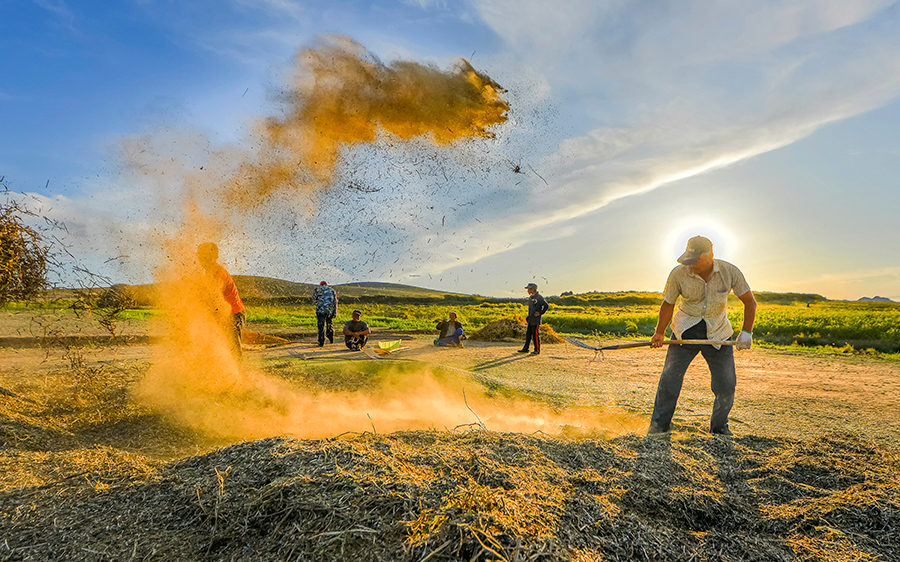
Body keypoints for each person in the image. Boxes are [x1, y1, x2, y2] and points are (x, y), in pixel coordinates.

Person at [647, 236, 756, 437]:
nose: (692, 265)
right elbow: (668, 303)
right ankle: (658, 428)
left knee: (726, 383)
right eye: (689, 260)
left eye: (696, 260)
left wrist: (746, 332)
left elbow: (750, 302)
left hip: (718, 333)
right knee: (670, 379)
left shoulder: (729, 271)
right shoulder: (678, 274)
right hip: (684, 332)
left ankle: (719, 428)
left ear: (710, 256)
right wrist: (660, 332)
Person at [197, 242, 246, 358]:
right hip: (225, 315)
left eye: (204, 255)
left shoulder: (217, 273)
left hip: (234, 314)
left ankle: (238, 374)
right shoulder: (209, 273)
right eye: (199, 255)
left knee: (233, 348)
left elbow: (214, 298)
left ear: (213, 256)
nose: (200, 259)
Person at [519, 282, 549, 355]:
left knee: (535, 335)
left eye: (529, 289)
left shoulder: (539, 297)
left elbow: (546, 306)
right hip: (530, 319)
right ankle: (526, 348)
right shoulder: (531, 297)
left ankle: (537, 350)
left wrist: (540, 313)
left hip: (536, 320)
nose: (528, 291)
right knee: (528, 334)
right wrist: (528, 317)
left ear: (533, 289)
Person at [313, 281, 338, 347]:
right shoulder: (332, 290)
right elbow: (335, 302)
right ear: (326, 284)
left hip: (320, 310)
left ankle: (321, 342)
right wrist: (334, 312)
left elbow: (314, 299)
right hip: (329, 310)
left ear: (320, 285)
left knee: (321, 326)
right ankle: (331, 338)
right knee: (329, 324)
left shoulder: (317, 290)